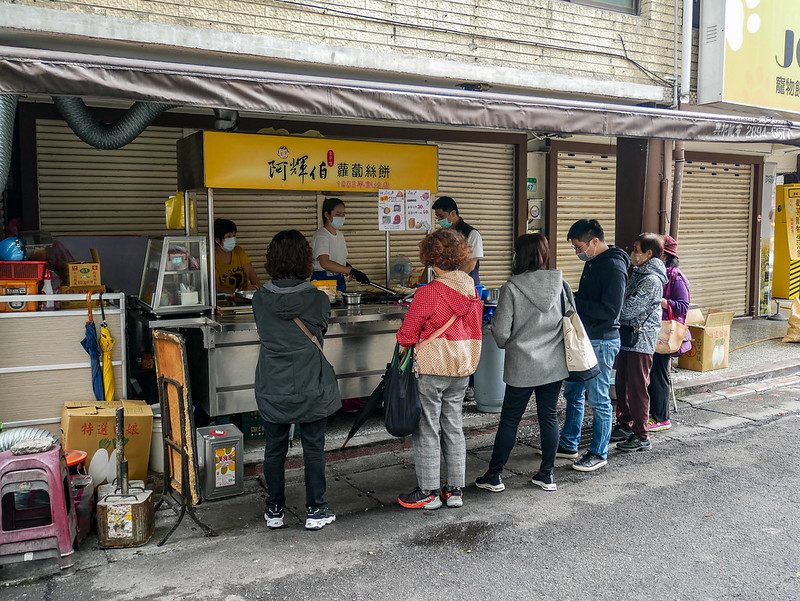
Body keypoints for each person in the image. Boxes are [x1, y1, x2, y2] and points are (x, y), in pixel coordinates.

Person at [252, 230, 341, 531]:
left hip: (273, 384)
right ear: (305, 259)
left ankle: (274, 509)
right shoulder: (318, 299)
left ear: (272, 260)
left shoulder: (259, 300)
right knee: (313, 447)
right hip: (310, 382)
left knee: (274, 447)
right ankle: (316, 509)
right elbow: (321, 330)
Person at [475, 234, 575, 494]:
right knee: (549, 416)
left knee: (510, 419)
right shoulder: (561, 284)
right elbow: (570, 320)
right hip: (553, 364)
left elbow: (501, 331)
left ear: (520, 255)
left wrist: (510, 344)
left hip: (521, 365)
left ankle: (494, 475)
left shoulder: (512, 287)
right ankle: (547, 474)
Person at [396, 229, 483, 510]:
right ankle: (455, 490)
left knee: (428, 429)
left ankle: (429, 491)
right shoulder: (472, 289)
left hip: (432, 367)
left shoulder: (429, 294)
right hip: (461, 367)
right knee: (454, 427)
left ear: (432, 260)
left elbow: (407, 337)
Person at [558, 219, 629, 472]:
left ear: (595, 242)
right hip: (585, 338)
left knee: (598, 399)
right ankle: (568, 443)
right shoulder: (595, 261)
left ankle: (599, 452)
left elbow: (610, 311)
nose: (577, 251)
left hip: (602, 340)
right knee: (573, 391)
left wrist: (576, 304)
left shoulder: (613, 266)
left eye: (579, 246)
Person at [613, 233, 668, 453]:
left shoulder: (652, 280)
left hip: (641, 338)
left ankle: (641, 434)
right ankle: (626, 424)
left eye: (636, 249)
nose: (632, 253)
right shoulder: (638, 273)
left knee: (637, 387)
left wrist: (612, 309)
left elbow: (629, 309)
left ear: (648, 253)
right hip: (628, 336)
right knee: (622, 383)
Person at [432, 195, 484, 402]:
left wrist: (452, 279)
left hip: (466, 290)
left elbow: (471, 264)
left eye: (442, 216)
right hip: (445, 290)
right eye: (437, 217)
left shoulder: (472, 234)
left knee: (466, 336)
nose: (439, 221)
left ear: (453, 213)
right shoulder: (443, 234)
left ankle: (469, 384)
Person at [647, 234, 690, 433]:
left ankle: (662, 417)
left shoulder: (675, 276)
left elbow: (683, 306)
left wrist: (663, 301)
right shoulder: (658, 273)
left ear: (664, 255)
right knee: (651, 372)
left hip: (664, 333)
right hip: (652, 330)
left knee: (659, 373)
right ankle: (652, 414)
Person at [310, 197, 370, 292]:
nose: (341, 217)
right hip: (323, 280)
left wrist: (348, 268)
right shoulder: (322, 235)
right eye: (337, 214)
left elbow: (338, 259)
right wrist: (350, 270)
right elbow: (325, 263)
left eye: (343, 214)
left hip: (339, 279)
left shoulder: (340, 235)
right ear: (327, 215)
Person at [214, 218, 261, 294]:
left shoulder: (239, 251)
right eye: (228, 236)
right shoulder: (211, 259)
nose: (232, 239)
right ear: (217, 240)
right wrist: (239, 292)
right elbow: (217, 287)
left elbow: (253, 277)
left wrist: (256, 288)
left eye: (234, 235)